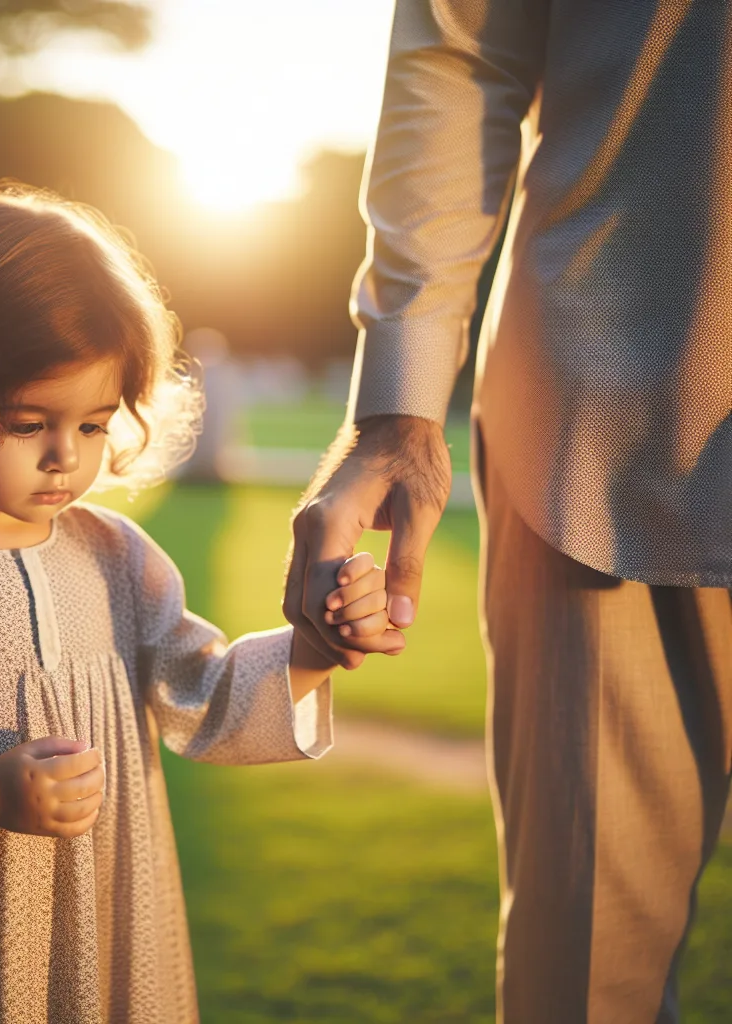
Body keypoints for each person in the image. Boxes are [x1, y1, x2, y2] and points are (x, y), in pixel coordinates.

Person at [0, 180, 389, 1024]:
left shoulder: (116, 555)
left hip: (106, 910)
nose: (67, 457)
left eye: (96, 424)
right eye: (30, 422)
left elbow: (202, 690)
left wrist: (314, 651)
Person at [284, 2, 732, 1022]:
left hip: (592, 419)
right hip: (602, 431)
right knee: (584, 988)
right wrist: (397, 408)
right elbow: (457, 48)